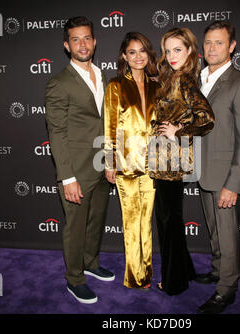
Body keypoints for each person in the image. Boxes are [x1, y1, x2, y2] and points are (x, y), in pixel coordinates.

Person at [45, 16, 115, 304]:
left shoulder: (103, 76)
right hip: (76, 169)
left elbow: (110, 121)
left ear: (95, 41)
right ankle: (75, 278)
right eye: (75, 39)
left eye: (87, 38)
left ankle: (90, 261)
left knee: (96, 220)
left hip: (100, 164)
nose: (82, 44)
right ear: (66, 45)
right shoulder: (58, 83)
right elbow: (57, 132)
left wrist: (110, 160)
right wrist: (67, 177)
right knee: (75, 226)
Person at [196, 21, 240, 314]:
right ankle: (219, 270)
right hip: (203, 172)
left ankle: (227, 289)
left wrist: (234, 183)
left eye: (219, 43)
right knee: (214, 231)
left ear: (232, 46)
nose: (211, 48)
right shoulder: (199, 80)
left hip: (225, 176)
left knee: (228, 235)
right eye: (208, 42)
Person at [148, 27, 215, 296]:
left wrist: (179, 130)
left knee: (168, 221)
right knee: (170, 219)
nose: (172, 55)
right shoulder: (172, 76)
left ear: (189, 51)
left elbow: (206, 118)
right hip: (163, 159)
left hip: (170, 161)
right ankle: (184, 270)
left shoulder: (185, 79)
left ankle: (174, 282)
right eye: (168, 50)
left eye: (178, 49)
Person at [104, 32, 159, 290]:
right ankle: (135, 276)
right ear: (124, 56)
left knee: (146, 221)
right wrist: (109, 162)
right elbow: (110, 127)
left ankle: (145, 273)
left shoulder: (157, 86)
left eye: (142, 51)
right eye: (132, 52)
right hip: (126, 164)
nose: (138, 56)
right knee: (131, 221)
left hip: (153, 165)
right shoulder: (115, 85)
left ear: (149, 54)